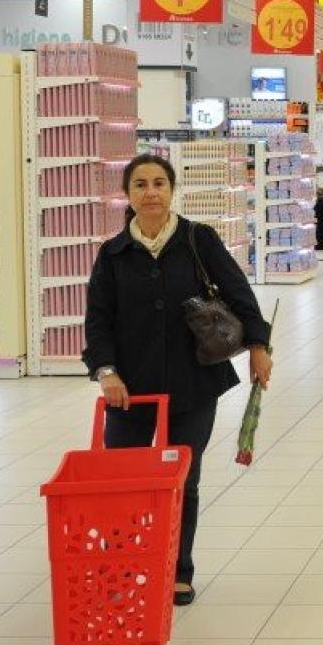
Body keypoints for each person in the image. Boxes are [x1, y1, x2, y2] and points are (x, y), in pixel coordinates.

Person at [84, 154, 273, 607]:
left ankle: (177, 570)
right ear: (127, 195)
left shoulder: (197, 241)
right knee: (125, 481)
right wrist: (106, 372)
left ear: (172, 190)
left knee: (181, 479)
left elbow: (237, 292)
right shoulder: (113, 255)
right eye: (140, 185)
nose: (150, 192)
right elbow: (98, 321)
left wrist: (259, 347)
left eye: (159, 184)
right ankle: (124, 563)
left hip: (193, 382)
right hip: (129, 389)